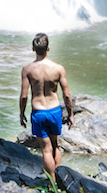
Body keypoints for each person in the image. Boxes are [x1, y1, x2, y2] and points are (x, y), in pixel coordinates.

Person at [18, 32, 72, 181]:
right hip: (54, 111)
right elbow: (66, 94)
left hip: (39, 112)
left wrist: (21, 114)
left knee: (46, 150)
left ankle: (52, 184)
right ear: (48, 48)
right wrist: (70, 113)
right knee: (55, 145)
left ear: (33, 49)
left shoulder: (27, 69)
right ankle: (61, 182)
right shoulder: (58, 68)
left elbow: (24, 96)